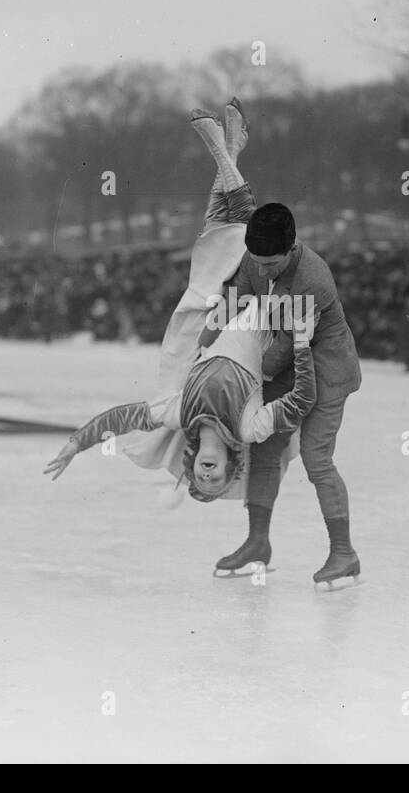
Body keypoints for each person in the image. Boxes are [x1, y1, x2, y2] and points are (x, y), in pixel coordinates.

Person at [44, 101, 318, 510]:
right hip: (254, 310)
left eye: (199, 478)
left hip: (209, 311)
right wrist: (299, 343)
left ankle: (230, 149)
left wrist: (75, 444)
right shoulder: (250, 427)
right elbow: (300, 401)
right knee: (246, 230)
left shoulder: (177, 414)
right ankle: (222, 148)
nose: (207, 476)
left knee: (214, 228)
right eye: (216, 480)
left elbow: (120, 419)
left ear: (190, 464)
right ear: (230, 464)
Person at [207, 188, 363, 590]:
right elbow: (235, 296)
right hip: (285, 371)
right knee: (264, 450)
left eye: (272, 264)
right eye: (258, 263)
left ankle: (344, 553)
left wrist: (241, 376)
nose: (265, 271)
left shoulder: (313, 279)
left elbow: (285, 348)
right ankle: (258, 541)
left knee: (317, 459)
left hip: (324, 373)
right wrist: (207, 341)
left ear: (291, 249)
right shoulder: (256, 258)